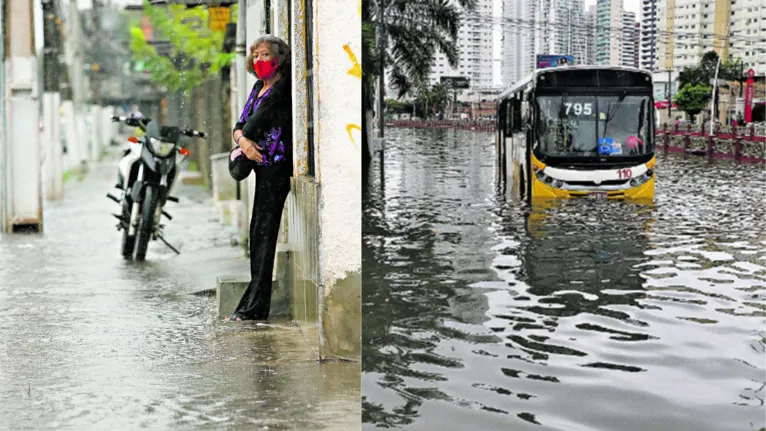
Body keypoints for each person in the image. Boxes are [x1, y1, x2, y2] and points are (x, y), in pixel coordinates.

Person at [227, 35, 293, 322]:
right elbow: (240, 125)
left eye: (265, 55)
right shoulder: (258, 87)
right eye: (255, 56)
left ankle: (253, 309)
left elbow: (252, 125)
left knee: (264, 238)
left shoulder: (281, 88)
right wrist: (242, 141)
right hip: (261, 169)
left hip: (276, 169)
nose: (259, 61)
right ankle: (252, 306)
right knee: (257, 236)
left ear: (278, 58)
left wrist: (242, 137)